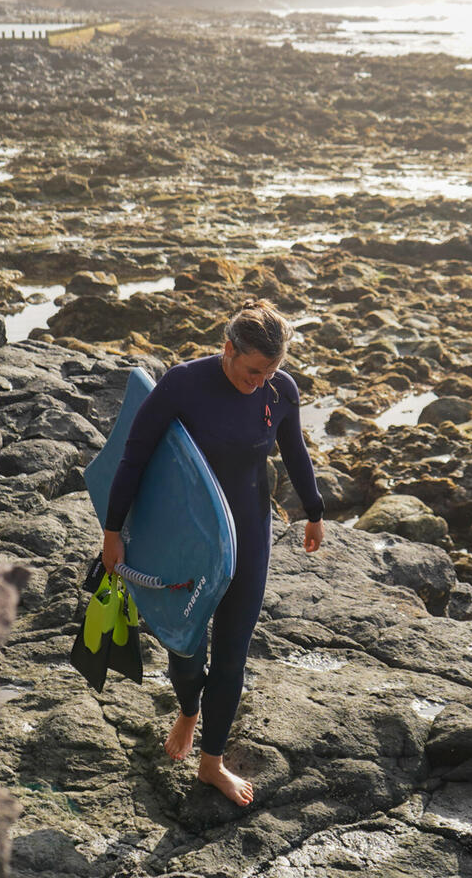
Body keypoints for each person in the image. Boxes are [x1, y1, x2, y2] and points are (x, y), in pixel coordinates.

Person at [102, 298, 325, 806]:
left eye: (273, 369)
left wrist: (314, 510)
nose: (261, 380)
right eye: (253, 370)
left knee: (232, 654)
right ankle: (188, 709)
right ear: (228, 349)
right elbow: (134, 456)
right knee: (184, 646)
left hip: (248, 533)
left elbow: (294, 450)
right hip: (188, 536)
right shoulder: (184, 383)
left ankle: (212, 763)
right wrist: (113, 530)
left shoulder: (279, 388)